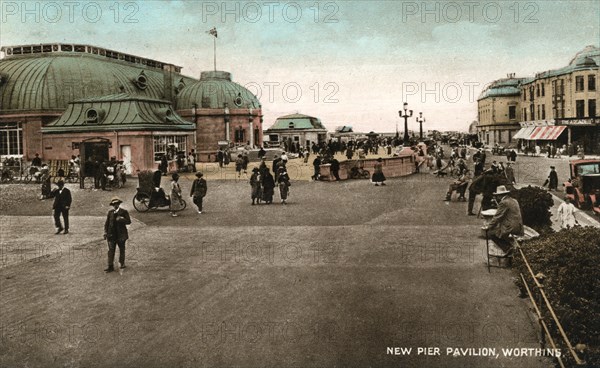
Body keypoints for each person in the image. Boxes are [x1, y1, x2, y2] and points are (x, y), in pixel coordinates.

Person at [484, 185, 523, 254]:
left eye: (497, 196)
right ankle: (510, 248)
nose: (497, 197)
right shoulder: (514, 200)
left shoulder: (504, 202)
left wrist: (489, 226)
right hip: (519, 226)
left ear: (500, 195)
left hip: (510, 227)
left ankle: (508, 249)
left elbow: (497, 216)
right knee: (500, 233)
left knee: (491, 233)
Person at [103, 196, 131, 272]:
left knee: (122, 249)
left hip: (121, 235)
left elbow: (128, 221)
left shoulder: (124, 212)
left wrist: (121, 219)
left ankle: (122, 263)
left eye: (117, 204)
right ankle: (110, 266)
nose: (115, 205)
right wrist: (105, 232)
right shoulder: (110, 213)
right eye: (114, 204)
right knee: (111, 250)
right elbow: (107, 223)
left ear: (119, 204)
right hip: (111, 235)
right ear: (112, 205)